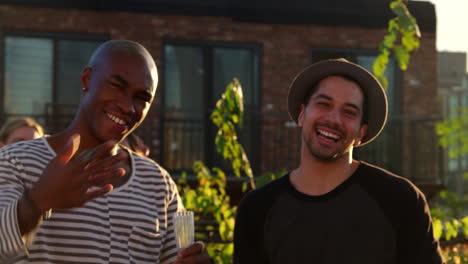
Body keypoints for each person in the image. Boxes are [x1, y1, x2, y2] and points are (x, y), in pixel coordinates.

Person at [0, 40, 210, 264]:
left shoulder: (158, 184)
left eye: (142, 98)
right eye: (117, 86)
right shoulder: (15, 161)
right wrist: (38, 201)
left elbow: (177, 257)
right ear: (87, 80)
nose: (127, 106)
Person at [233, 58, 444, 264]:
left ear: (361, 132)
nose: (334, 119)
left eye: (349, 112)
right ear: (301, 114)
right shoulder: (257, 208)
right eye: (323, 104)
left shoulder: (399, 199)